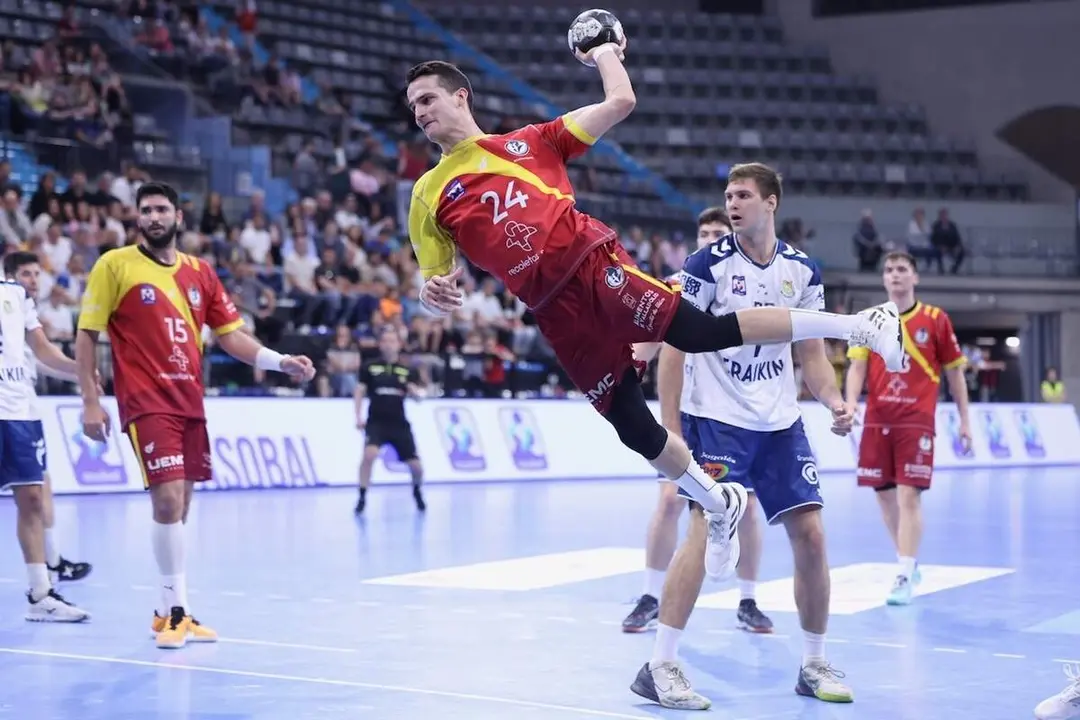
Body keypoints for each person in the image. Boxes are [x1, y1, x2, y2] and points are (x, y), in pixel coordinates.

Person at [404, 41, 903, 576]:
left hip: (592, 267)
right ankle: (718, 503)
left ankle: (859, 325)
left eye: (428, 98)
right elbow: (434, 282)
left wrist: (603, 51)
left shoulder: (533, 142)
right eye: (413, 107)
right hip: (551, 311)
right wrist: (432, 294)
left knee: (700, 332)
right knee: (630, 426)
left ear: (461, 97)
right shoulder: (428, 194)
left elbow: (621, 100)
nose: (421, 112)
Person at [629, 163, 855, 710]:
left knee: (813, 536)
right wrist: (672, 427)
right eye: (728, 196)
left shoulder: (802, 271)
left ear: (771, 202)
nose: (733, 203)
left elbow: (812, 355)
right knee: (704, 531)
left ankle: (813, 662)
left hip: (780, 423)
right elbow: (676, 346)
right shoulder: (706, 265)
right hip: (718, 422)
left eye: (744, 195)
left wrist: (832, 400)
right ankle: (659, 666)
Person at [75, 182, 316, 649]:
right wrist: (90, 398)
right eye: (145, 210)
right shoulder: (115, 265)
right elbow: (87, 334)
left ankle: (167, 611)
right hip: (146, 400)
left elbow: (231, 336)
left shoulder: (200, 273)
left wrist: (279, 361)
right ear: (137, 218)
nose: (153, 217)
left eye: (161, 209)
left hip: (190, 400)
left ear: (178, 217)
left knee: (181, 506)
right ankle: (178, 613)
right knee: (166, 503)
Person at [622, 207, 773, 637]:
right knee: (670, 502)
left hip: (739, 417)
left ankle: (748, 600)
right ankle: (651, 596)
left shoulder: (749, 290)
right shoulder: (675, 287)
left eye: (717, 233)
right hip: (687, 418)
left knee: (745, 506)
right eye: (703, 232)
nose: (709, 239)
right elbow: (647, 345)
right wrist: (627, 366)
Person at [844, 251, 970, 606]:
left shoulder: (936, 319)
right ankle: (908, 559)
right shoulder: (870, 319)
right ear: (883, 278)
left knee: (908, 494)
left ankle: (903, 570)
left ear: (915, 277)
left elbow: (955, 373)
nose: (895, 275)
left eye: (902, 269)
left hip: (916, 420)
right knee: (884, 495)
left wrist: (965, 422)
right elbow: (856, 368)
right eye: (889, 270)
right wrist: (851, 403)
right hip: (877, 418)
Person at [0, 261, 90, 621]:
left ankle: (40, 595)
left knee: (33, 498)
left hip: (19, 410)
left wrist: (80, 370)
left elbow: (42, 349)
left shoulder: (17, 295)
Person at [354, 328, 425, 514]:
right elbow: (360, 391)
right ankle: (362, 496)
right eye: (384, 340)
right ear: (380, 344)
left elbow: (419, 396)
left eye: (392, 341)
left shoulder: (407, 370)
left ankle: (417, 490)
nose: (388, 344)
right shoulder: (369, 367)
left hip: (399, 424)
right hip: (376, 422)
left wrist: (414, 392)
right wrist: (358, 416)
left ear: (399, 345)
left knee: (416, 467)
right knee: (369, 455)